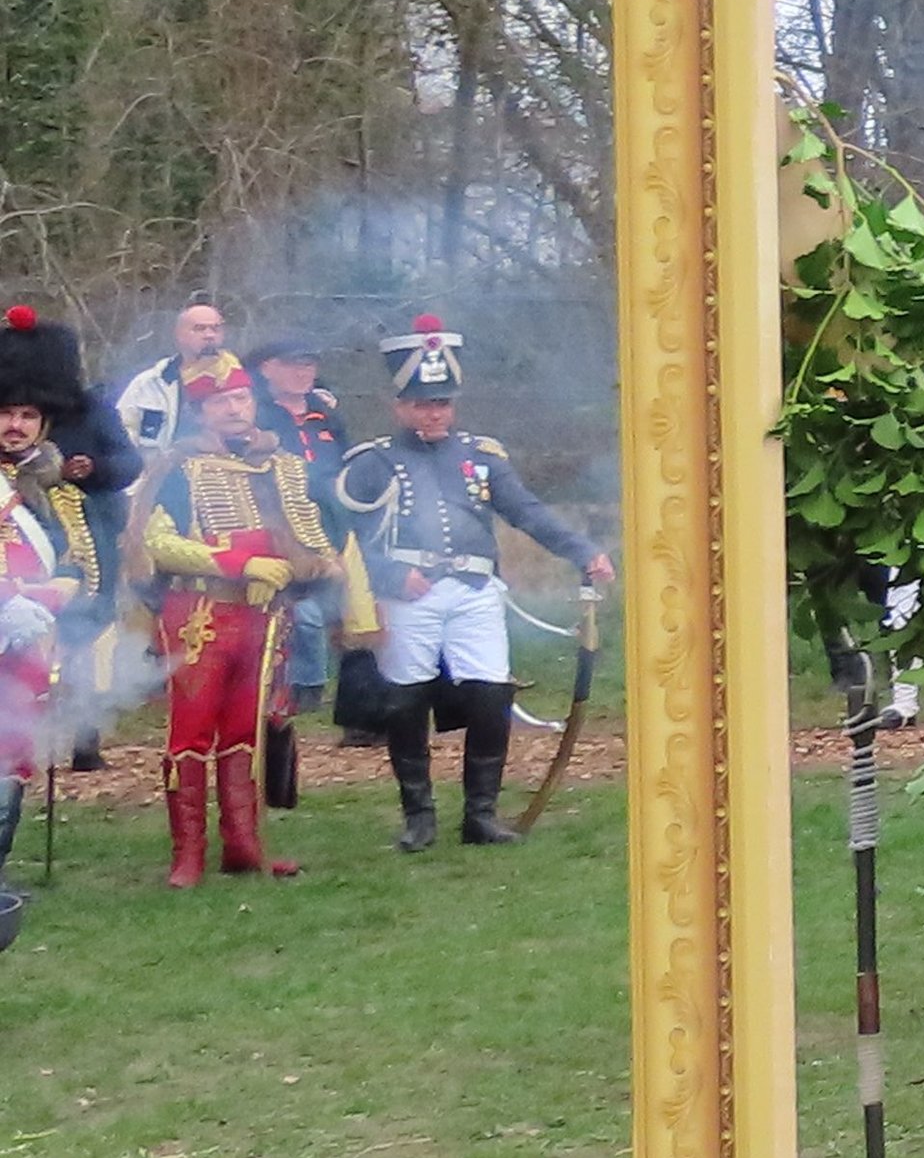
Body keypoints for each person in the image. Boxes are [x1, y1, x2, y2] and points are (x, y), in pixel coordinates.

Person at [326, 317, 605, 854]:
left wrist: (581, 550)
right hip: (412, 593)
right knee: (405, 701)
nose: (434, 414)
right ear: (399, 405)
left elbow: (525, 511)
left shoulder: (482, 456)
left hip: (475, 591)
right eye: (422, 404)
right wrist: (389, 575)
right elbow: (347, 535)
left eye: (442, 404)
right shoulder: (373, 461)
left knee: (488, 695)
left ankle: (480, 814)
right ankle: (419, 819)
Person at [138, 353, 371, 885]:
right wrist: (241, 563)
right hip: (198, 613)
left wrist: (309, 565)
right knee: (191, 735)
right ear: (201, 410)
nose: (234, 409)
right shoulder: (177, 468)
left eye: (241, 398)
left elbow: (313, 534)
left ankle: (244, 847)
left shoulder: (283, 464)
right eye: (221, 401)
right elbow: (157, 544)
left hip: (264, 616)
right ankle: (187, 855)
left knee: (248, 732)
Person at [0, 306, 105, 907]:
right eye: (7, 413)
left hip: (31, 646)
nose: (15, 425)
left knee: (13, 761)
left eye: (27, 415)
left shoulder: (56, 489)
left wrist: (63, 592)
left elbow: (81, 565)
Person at [243, 336, 348, 813]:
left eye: (310, 363)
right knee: (293, 620)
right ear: (268, 368)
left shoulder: (327, 414)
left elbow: (345, 470)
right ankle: (296, 695)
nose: (303, 372)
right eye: (293, 365)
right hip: (276, 533)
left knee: (330, 618)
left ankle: (333, 703)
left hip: (327, 529)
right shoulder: (256, 415)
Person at [110, 299, 224, 459]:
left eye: (215, 329)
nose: (209, 335)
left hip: (230, 476)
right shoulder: (149, 384)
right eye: (199, 329)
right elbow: (121, 436)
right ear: (179, 335)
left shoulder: (242, 381)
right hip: (164, 477)